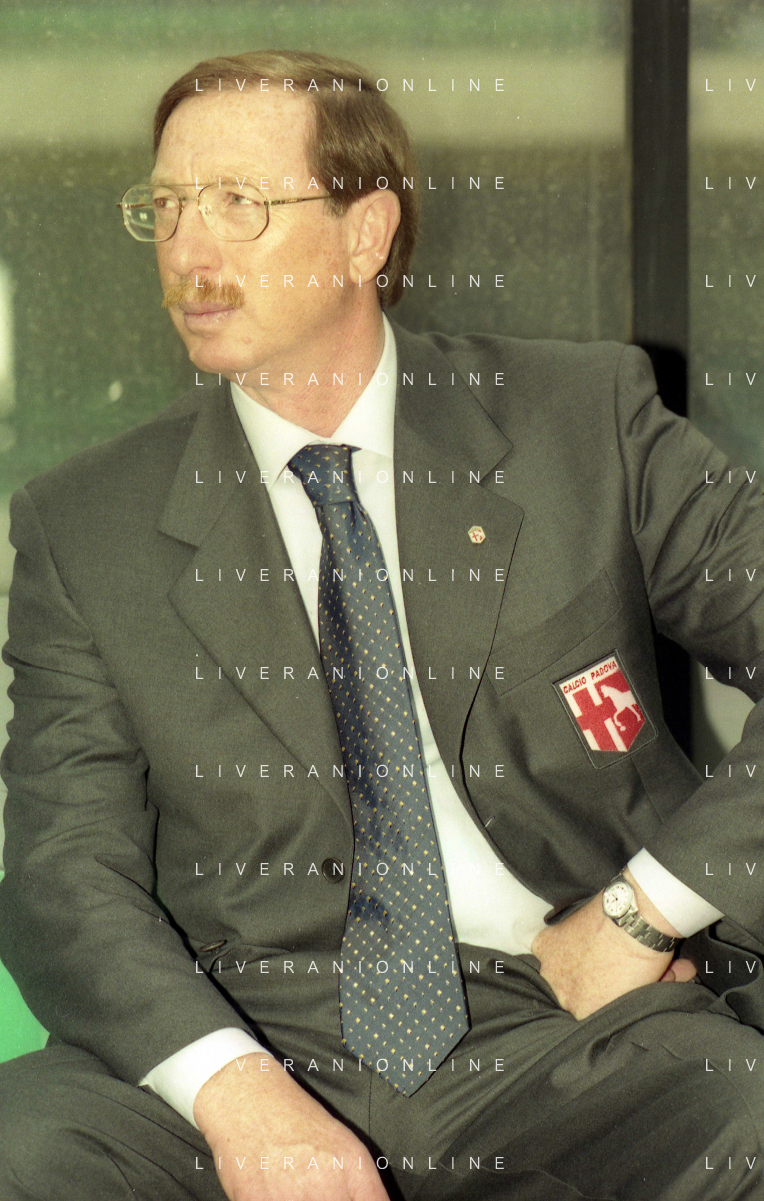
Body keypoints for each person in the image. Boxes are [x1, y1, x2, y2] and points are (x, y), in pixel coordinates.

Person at [0, 48, 763, 1201]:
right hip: (245, 1021)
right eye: (165, 206)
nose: (188, 250)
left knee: (742, 1112)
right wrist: (234, 1091)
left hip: (563, 1012)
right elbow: (64, 870)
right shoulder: (85, 524)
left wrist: (642, 909)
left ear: (365, 234)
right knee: (24, 1145)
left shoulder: (581, 424)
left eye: (237, 202)